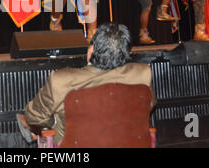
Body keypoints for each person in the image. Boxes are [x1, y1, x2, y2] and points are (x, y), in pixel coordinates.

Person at [18, 23, 156, 146]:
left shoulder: (61, 80)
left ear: (91, 50)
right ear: (127, 52)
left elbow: (34, 118)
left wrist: (53, 123)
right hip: (128, 143)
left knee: (41, 119)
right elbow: (149, 105)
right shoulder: (142, 74)